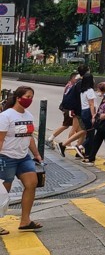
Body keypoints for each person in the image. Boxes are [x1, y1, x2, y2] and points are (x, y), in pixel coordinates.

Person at [0, 87, 44, 233]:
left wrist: (36, 154)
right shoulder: (6, 116)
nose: (29, 100)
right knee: (3, 191)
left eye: (32, 97)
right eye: (27, 96)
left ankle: (25, 221)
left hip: (23, 157)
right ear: (18, 98)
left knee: (32, 183)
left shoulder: (28, 116)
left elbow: (29, 136)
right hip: (6, 157)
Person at [60, 73, 97, 158]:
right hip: (88, 112)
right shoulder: (90, 90)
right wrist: (93, 115)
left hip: (83, 112)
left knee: (85, 131)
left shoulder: (82, 91)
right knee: (90, 132)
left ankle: (80, 149)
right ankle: (78, 147)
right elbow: (91, 104)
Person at [48, 72, 81, 148]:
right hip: (70, 109)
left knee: (77, 128)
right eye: (77, 78)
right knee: (69, 126)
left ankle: (79, 144)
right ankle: (67, 143)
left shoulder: (69, 85)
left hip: (67, 108)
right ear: (73, 78)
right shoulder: (72, 86)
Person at [82, 82, 105, 165]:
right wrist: (96, 116)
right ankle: (91, 158)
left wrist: (104, 115)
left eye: (99, 90)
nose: (98, 92)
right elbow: (101, 108)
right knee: (98, 140)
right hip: (101, 122)